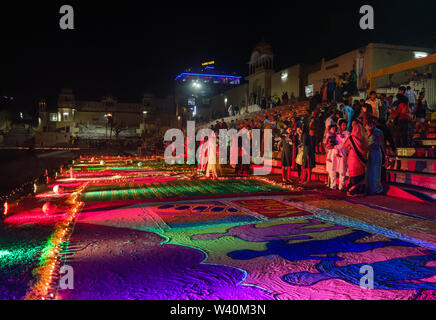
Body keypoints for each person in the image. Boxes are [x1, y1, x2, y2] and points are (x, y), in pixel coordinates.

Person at [344, 122, 368, 196]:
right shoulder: (364, 138)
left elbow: (345, 145)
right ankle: (360, 191)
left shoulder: (351, 138)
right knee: (360, 174)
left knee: (354, 174)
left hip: (353, 158)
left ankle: (353, 191)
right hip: (361, 159)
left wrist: (349, 136)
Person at [365, 119, 386, 195]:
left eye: (372, 125)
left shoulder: (378, 132)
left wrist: (385, 154)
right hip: (368, 153)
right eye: (369, 125)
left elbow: (382, 143)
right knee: (369, 171)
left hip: (376, 152)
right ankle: (369, 189)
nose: (370, 127)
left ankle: (377, 189)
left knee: (376, 171)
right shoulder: (365, 132)